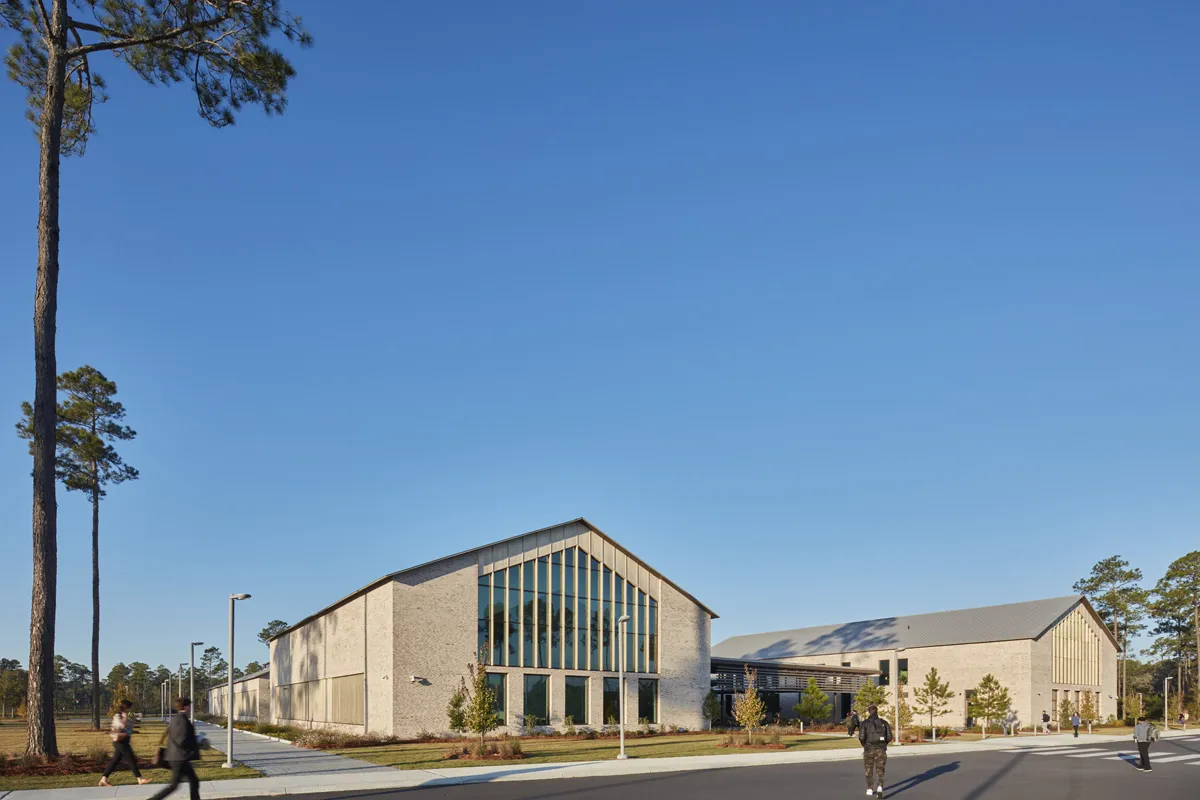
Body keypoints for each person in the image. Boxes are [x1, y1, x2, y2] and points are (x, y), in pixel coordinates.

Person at [148, 698, 201, 800]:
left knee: (194, 781)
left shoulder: (176, 718)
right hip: (179, 758)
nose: (190, 708)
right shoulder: (182, 720)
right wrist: (197, 742)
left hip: (177, 757)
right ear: (185, 707)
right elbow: (182, 740)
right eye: (189, 706)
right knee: (174, 785)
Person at [99, 700, 151, 786]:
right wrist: (125, 718)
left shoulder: (124, 715)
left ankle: (104, 779)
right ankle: (140, 778)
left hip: (124, 740)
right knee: (131, 760)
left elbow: (129, 729)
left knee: (115, 761)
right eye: (130, 707)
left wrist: (133, 720)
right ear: (126, 707)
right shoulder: (118, 716)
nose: (130, 709)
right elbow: (122, 727)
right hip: (120, 741)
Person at [858, 703, 892, 798]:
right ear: (877, 711)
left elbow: (861, 737)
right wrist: (884, 744)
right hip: (881, 749)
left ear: (869, 711)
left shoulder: (865, 723)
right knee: (880, 769)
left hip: (868, 749)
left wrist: (865, 745)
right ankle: (880, 786)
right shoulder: (884, 723)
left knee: (868, 769)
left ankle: (869, 788)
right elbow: (889, 736)